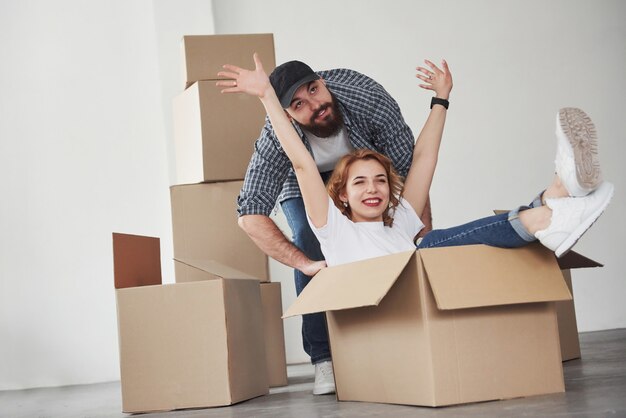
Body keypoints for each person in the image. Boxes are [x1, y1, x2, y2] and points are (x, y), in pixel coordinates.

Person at [218, 54, 613, 392]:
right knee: (423, 246)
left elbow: (423, 158)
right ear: (340, 196)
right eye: (360, 183)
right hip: (380, 322)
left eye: (379, 181)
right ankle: (544, 214)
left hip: (417, 309)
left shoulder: (400, 211)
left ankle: (555, 195)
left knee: (429, 243)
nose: (373, 189)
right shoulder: (331, 229)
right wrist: (268, 97)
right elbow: (301, 164)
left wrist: (440, 98)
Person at [228, 57, 433, 395]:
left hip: (362, 171)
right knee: (309, 237)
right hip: (304, 176)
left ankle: (399, 324)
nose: (315, 105)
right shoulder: (275, 139)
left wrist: (421, 239)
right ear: (288, 115)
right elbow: (249, 213)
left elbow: (414, 177)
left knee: (396, 231)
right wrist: (303, 263)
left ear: (323, 81)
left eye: (314, 90)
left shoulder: (364, 98)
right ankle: (323, 356)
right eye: (299, 104)